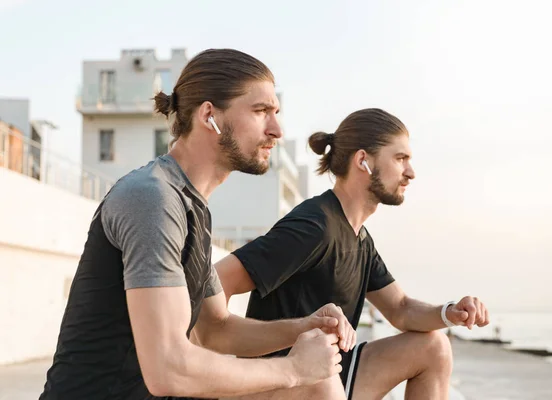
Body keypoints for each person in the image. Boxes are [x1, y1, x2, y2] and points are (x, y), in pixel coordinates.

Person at [40, 48, 354, 400]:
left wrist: (306, 326)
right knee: (311, 384)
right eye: (261, 111)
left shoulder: (192, 207)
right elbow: (167, 367)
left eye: (275, 113)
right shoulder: (151, 198)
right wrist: (293, 369)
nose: (277, 129)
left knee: (319, 385)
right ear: (209, 116)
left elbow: (214, 329)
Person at [215, 108, 491, 400]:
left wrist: (450, 312)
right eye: (400, 159)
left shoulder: (359, 238)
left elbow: (400, 309)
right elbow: (217, 281)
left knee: (434, 347)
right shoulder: (314, 226)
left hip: (332, 373)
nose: (410, 172)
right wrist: (222, 366)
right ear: (364, 161)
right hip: (281, 381)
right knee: (324, 379)